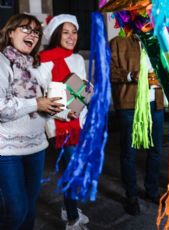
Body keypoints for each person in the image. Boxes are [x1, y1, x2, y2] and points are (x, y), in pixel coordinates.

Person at [0, 14, 63, 229]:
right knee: (16, 211)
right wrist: (37, 103)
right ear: (10, 33)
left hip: (37, 146)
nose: (32, 34)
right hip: (7, 152)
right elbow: (1, 106)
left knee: (29, 209)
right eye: (25, 29)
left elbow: (45, 104)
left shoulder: (37, 66)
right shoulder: (1, 62)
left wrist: (61, 111)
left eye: (36, 31)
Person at [38, 14, 89, 230]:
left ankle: (69, 208)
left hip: (78, 123)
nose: (71, 36)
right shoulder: (43, 60)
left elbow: (83, 90)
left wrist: (85, 97)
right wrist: (64, 113)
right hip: (60, 125)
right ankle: (72, 220)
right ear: (56, 34)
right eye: (65, 32)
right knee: (72, 171)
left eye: (74, 31)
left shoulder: (77, 59)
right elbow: (41, 96)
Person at [109, 34, 164, 215]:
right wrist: (131, 75)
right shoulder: (118, 42)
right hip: (129, 104)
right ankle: (131, 195)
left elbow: (168, 69)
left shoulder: (158, 41)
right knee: (129, 152)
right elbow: (107, 70)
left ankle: (152, 190)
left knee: (155, 150)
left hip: (154, 103)